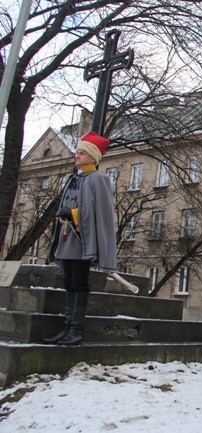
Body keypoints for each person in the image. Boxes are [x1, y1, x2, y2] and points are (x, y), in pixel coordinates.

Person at [45, 132, 117, 346]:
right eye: (77, 152)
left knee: (79, 282)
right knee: (69, 283)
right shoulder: (73, 179)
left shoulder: (99, 179)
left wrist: (73, 214)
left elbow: (100, 213)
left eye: (82, 152)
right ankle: (67, 329)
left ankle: (76, 330)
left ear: (93, 157)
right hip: (67, 239)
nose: (77, 155)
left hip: (83, 240)